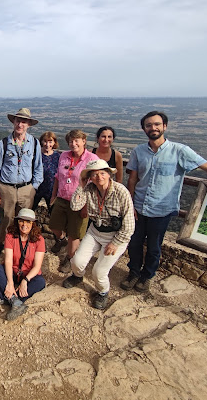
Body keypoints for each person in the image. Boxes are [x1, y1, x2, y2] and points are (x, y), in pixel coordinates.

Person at [122, 111, 207, 292]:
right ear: (144, 128)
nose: (153, 128)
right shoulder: (138, 151)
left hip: (162, 210)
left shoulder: (179, 151)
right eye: (148, 125)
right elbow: (132, 180)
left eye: (157, 124)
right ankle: (133, 273)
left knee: (154, 247)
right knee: (134, 243)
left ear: (164, 126)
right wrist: (129, 204)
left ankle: (146, 277)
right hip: (138, 207)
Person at [62, 160, 135, 309]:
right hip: (95, 232)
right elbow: (75, 206)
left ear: (109, 174)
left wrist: (115, 243)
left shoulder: (121, 192)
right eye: (94, 174)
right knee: (76, 261)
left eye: (102, 173)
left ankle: (103, 292)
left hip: (115, 236)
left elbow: (129, 225)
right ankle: (77, 277)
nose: (99, 177)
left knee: (99, 271)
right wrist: (81, 185)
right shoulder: (89, 189)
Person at [0, 108, 43, 257]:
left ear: (28, 125)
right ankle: (1, 243)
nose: (20, 124)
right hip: (7, 188)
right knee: (6, 218)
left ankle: (21, 243)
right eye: (18, 120)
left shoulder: (34, 143)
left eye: (24, 122)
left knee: (25, 220)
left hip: (26, 188)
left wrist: (34, 187)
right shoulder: (4, 143)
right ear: (13, 122)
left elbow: (38, 166)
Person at [49, 130, 99, 270]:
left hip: (80, 202)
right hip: (62, 198)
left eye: (77, 140)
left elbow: (95, 185)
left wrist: (86, 207)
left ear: (84, 141)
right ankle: (61, 240)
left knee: (74, 234)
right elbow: (58, 177)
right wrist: (54, 195)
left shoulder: (91, 158)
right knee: (53, 225)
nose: (74, 143)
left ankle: (70, 259)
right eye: (71, 141)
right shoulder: (64, 155)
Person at [0, 208, 46, 321]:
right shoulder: (10, 236)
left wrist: (26, 280)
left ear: (33, 224)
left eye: (28, 222)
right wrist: (10, 283)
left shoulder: (39, 240)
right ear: (17, 222)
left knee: (40, 282)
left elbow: (37, 266)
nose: (24, 224)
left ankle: (4, 298)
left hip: (28, 275)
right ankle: (16, 302)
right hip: (13, 272)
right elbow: (8, 260)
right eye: (21, 221)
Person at [33, 131, 61, 211]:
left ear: (54, 142)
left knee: (53, 213)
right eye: (45, 141)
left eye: (50, 141)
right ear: (41, 142)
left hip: (51, 189)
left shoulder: (58, 156)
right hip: (36, 188)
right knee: (29, 211)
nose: (47, 144)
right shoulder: (36, 155)